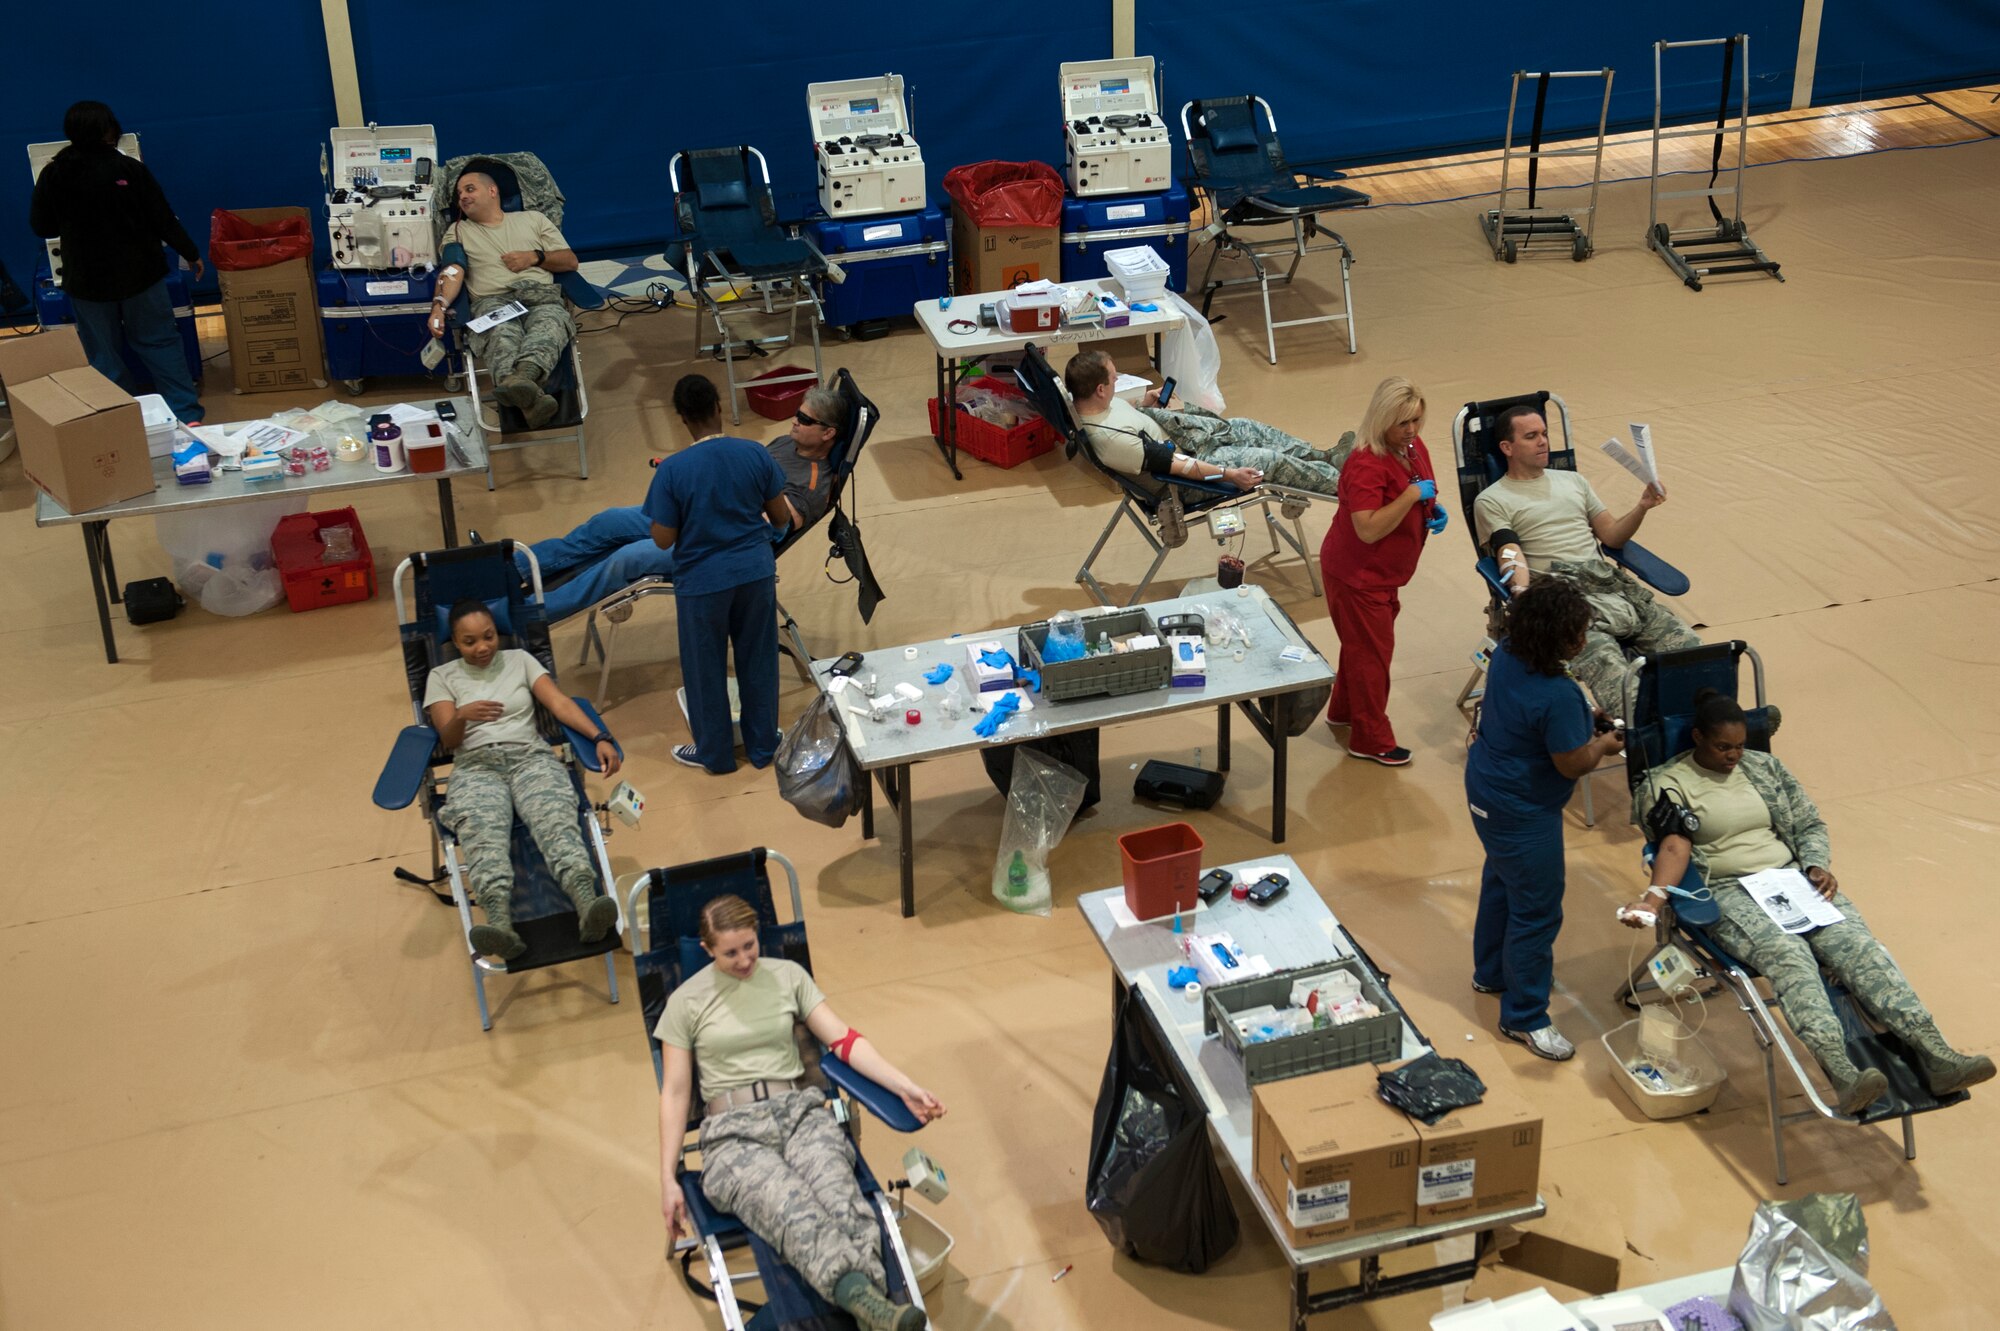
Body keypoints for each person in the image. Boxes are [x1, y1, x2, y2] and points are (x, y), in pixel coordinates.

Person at [1622, 689, 1993, 1111]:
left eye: (1740, 746)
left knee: (1859, 949)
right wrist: (1653, 900)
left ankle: (1937, 1055)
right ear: (1697, 738)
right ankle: (1841, 1070)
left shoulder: (1765, 768)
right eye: (1724, 746)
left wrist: (1815, 864)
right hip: (1728, 888)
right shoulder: (1667, 783)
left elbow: (1809, 823)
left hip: (1790, 881)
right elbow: (1672, 847)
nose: (1734, 756)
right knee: (1789, 956)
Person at [661, 894, 944, 1331]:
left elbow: (843, 1041)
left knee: (844, 1203)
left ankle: (870, 1310)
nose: (743, 960)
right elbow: (677, 1093)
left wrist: (904, 1086)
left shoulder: (788, 976)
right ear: (707, 949)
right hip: (732, 1137)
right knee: (793, 1209)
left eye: (750, 946)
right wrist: (667, 1178)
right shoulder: (685, 1002)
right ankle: (871, 1307)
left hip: (800, 1114)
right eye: (730, 952)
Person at [501, 386, 843, 623]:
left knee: (625, 559)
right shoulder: (787, 443)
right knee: (609, 522)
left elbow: (774, 527)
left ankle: (529, 614)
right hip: (702, 510)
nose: (795, 420)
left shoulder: (814, 484)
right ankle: (514, 568)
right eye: (798, 413)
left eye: (806, 419)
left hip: (723, 545)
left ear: (828, 433)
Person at [1464, 579, 1628, 1060]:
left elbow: (1536, 720)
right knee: (1536, 910)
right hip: (1523, 809)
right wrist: (1600, 742)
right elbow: (1572, 763)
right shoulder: (1557, 695)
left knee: (1502, 881)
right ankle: (1525, 1017)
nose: (1583, 640)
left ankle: (1491, 971)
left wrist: (1582, 720)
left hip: (1487, 789)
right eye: (1578, 632)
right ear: (1560, 637)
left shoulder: (1511, 653)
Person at [424, 600, 622, 959]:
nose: (482, 647)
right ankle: (500, 924)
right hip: (476, 766)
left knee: (555, 819)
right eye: (469, 642)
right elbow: (449, 740)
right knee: (482, 832)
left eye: (487, 636)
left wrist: (600, 737)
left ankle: (588, 903)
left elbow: (560, 704)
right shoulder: (442, 676)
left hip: (529, 757)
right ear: (453, 641)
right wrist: (463, 715)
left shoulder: (520, 660)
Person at [1472, 404, 1699, 712]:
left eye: (1544, 433)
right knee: (1617, 678)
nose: (1543, 441)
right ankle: (1654, 741)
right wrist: (1522, 594)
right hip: (1565, 604)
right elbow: (1509, 551)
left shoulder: (1573, 482)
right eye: (1531, 436)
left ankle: (1716, 726)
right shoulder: (1492, 499)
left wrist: (1642, 506)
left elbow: (1612, 537)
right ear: (1507, 447)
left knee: (1693, 656)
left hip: (1611, 590)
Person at [648, 375, 794, 774]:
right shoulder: (754, 453)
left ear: (681, 418)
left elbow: (663, 539)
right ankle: (764, 747)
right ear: (717, 407)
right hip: (754, 573)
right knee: (759, 659)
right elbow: (780, 516)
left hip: (701, 584)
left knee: (704, 666)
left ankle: (715, 754)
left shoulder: (672, 471)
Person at [28, 100, 204, 425]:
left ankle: (119, 419)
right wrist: (190, 252)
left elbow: (43, 227)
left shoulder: (54, 172)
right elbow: (161, 217)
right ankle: (186, 414)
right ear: (110, 129)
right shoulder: (128, 168)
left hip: (87, 280)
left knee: (104, 356)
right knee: (160, 342)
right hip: (142, 274)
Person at [1318, 376, 1447, 766]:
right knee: (1373, 657)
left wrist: (1429, 510)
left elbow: (1421, 486)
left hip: (1383, 575)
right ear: (1381, 420)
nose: (1411, 431)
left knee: (1360, 648)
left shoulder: (1412, 447)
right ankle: (1370, 739)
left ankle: (1343, 712)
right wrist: (1411, 497)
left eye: (1417, 421)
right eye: (1403, 423)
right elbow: (1368, 527)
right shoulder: (1366, 464)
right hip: (1358, 577)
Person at [1063, 349, 1349, 500]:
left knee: (1247, 427)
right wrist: (1230, 474)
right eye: (1114, 379)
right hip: (1185, 480)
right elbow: (1180, 467)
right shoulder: (1113, 442)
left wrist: (1144, 404)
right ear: (1100, 389)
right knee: (1268, 461)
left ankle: (1324, 457)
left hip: (1185, 444)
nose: (1117, 381)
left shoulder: (1092, 404)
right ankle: (1345, 484)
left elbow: (1123, 415)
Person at [428, 168, 579, 430]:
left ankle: (523, 386)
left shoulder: (533, 219)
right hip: (493, 302)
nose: (462, 196)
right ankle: (530, 396)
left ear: (492, 191)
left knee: (550, 325)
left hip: (540, 296)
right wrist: (439, 306)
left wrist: (535, 257)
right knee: (500, 335)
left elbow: (570, 261)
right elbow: (453, 270)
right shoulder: (459, 230)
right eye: (459, 193)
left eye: (470, 189)